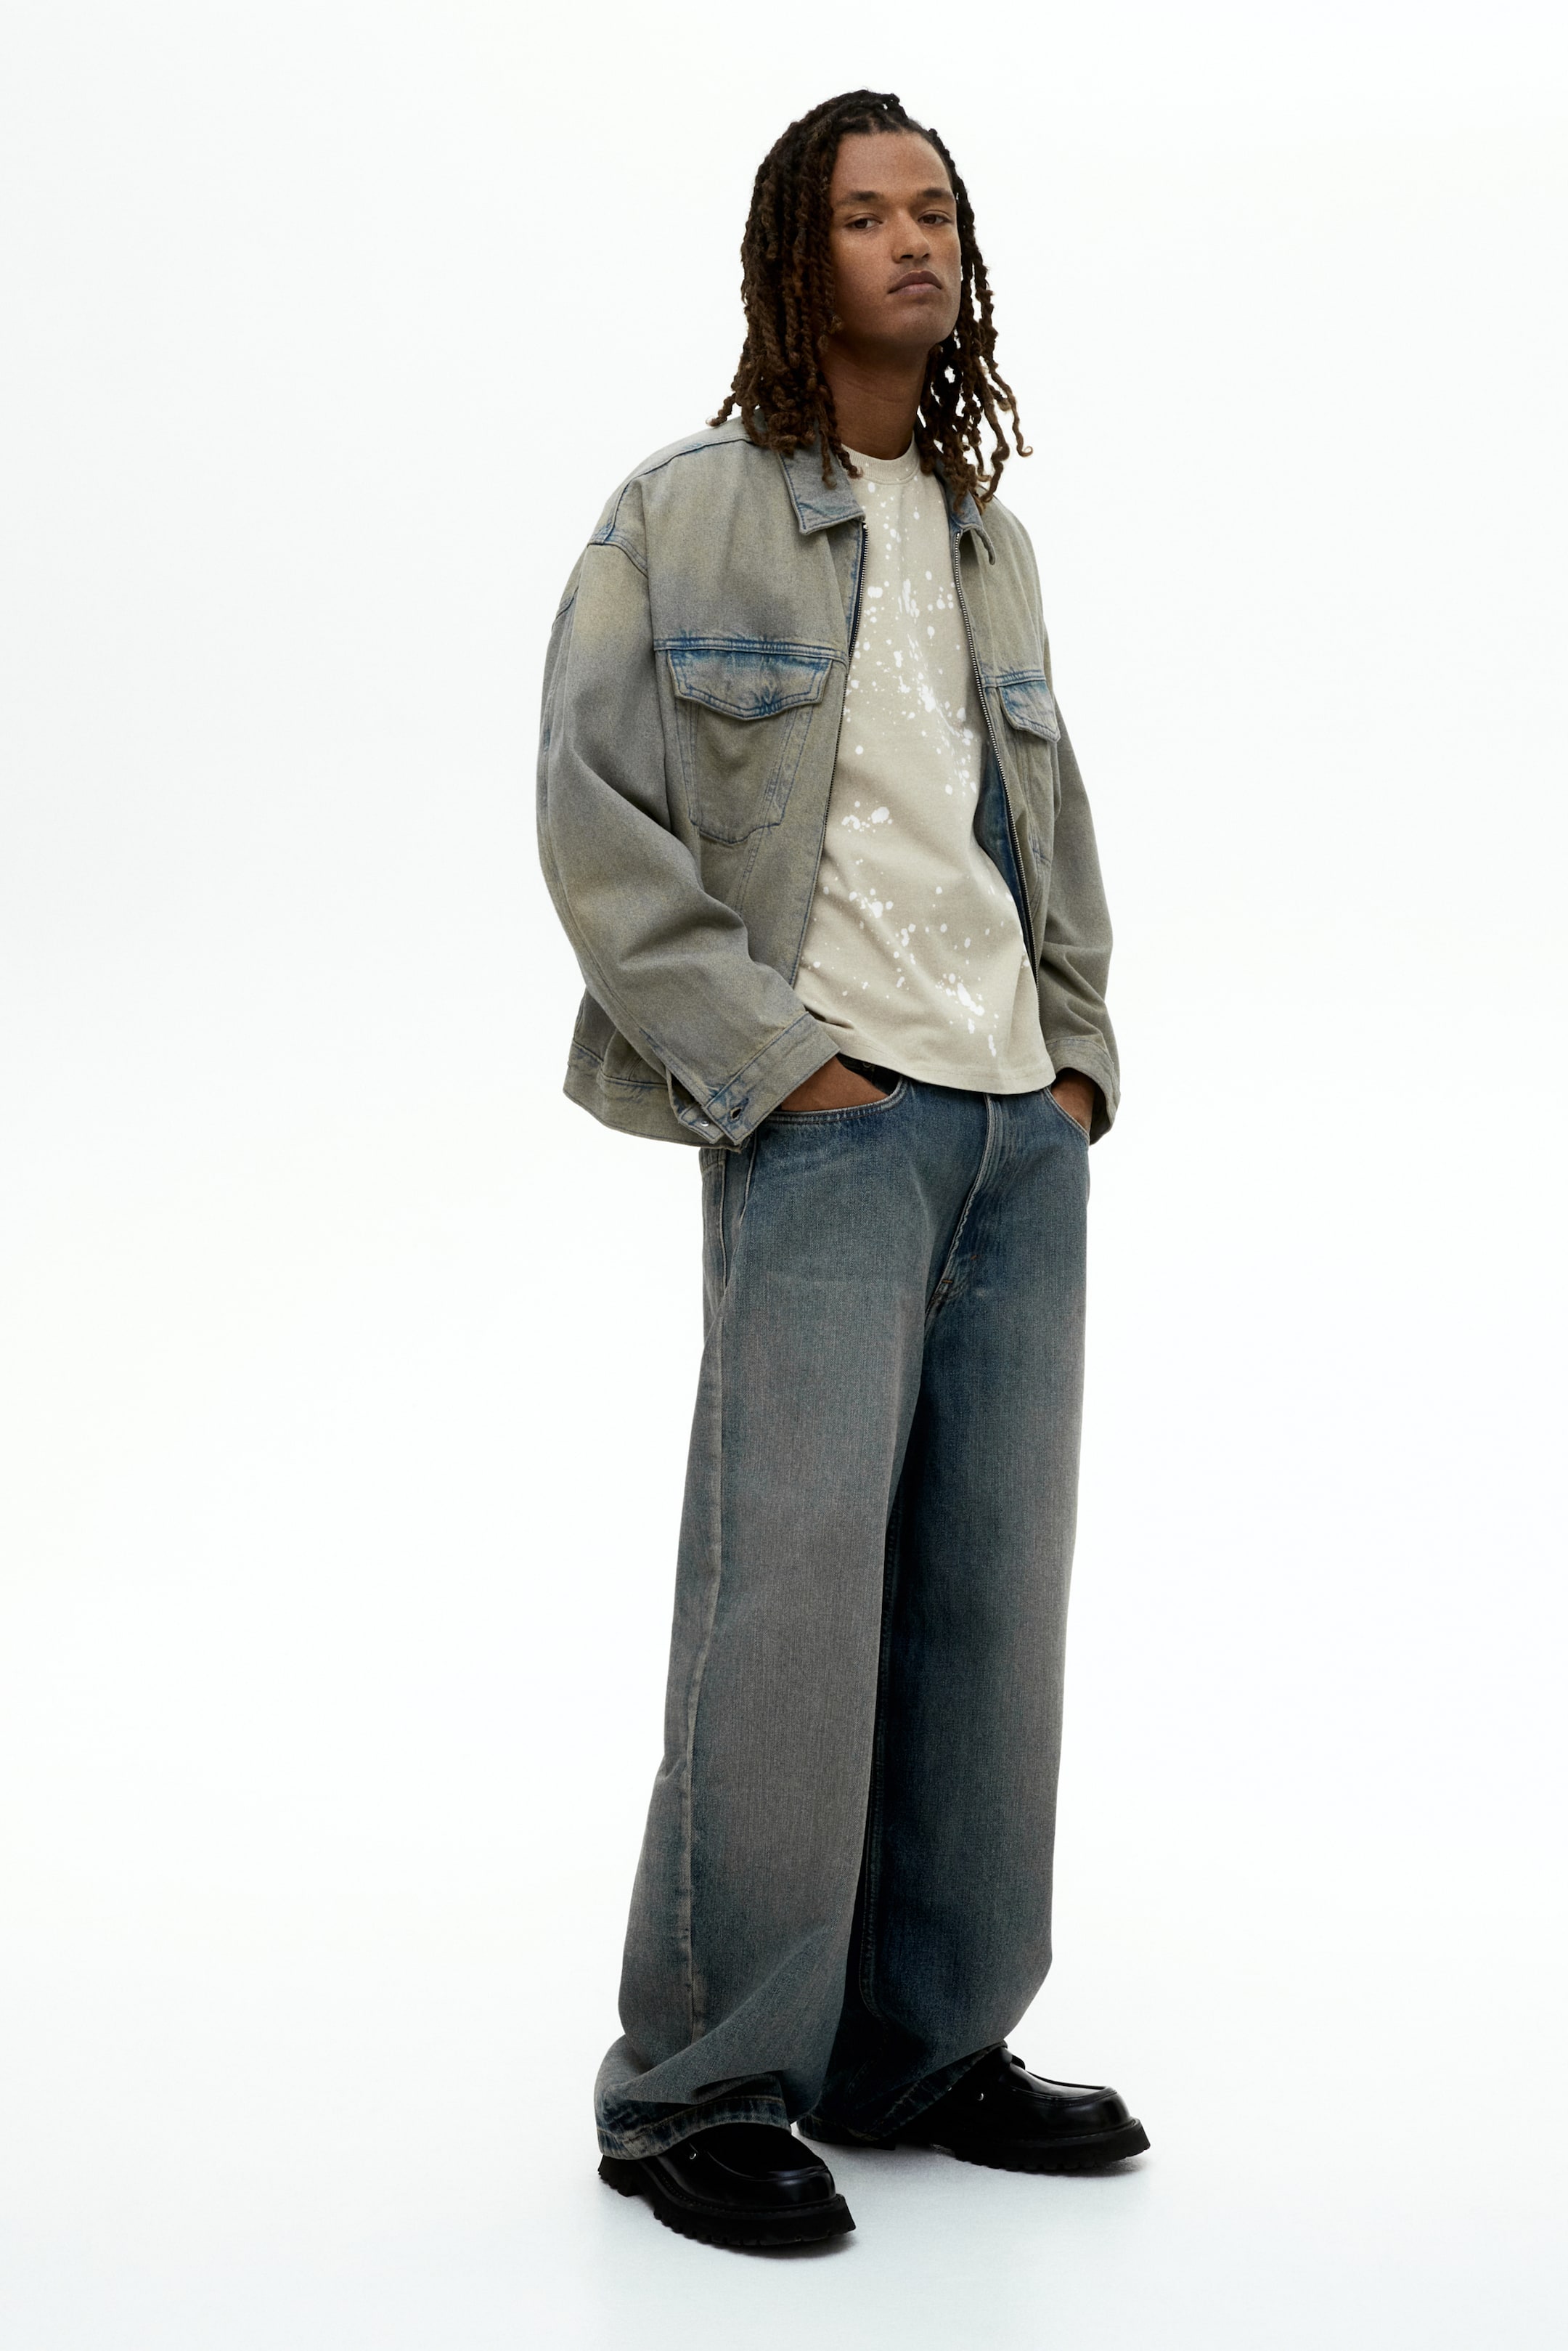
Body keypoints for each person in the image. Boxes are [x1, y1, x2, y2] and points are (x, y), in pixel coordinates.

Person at [537, 88, 1146, 2251]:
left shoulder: (987, 538)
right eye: (870, 214)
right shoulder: (681, 516)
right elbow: (596, 819)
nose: (914, 242)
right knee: (783, 1610)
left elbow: (1045, 823)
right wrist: (778, 1070)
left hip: (1011, 1137)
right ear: (795, 256)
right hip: (832, 1122)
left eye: (939, 212)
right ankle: (700, 2085)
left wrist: (1073, 1069)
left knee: (992, 1602)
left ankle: (922, 2047)